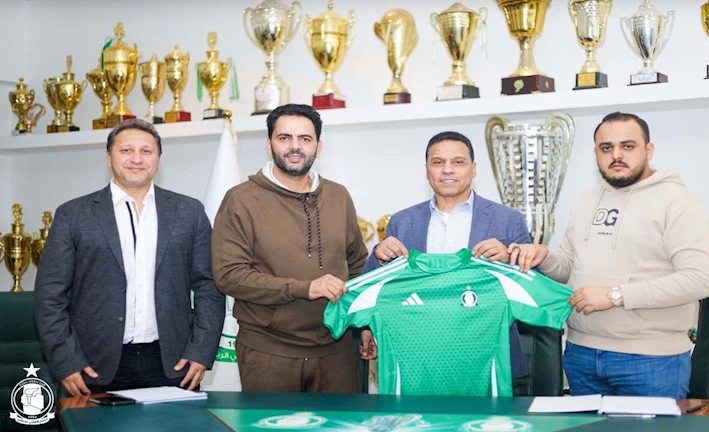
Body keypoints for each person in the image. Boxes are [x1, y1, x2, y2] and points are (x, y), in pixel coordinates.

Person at [508, 112, 709, 398]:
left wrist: (615, 295)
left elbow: (701, 280)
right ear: (596, 152)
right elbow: (568, 267)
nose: (616, 155)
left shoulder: (679, 203)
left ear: (648, 150)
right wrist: (543, 255)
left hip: (651, 360)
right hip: (581, 354)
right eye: (606, 148)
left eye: (627, 146)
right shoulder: (586, 201)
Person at [34, 119, 225, 397]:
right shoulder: (73, 215)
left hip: (173, 364)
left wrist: (201, 351)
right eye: (126, 150)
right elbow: (50, 295)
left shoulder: (189, 212)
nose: (137, 159)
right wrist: (66, 361)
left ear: (158, 159)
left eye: (146, 151)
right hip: (92, 366)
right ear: (108, 157)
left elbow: (209, 286)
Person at [211, 103, 369, 393]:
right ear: (269, 144)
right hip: (269, 353)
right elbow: (229, 275)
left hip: (336, 352)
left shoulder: (338, 196)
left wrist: (366, 323)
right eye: (285, 138)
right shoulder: (240, 200)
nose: (295, 147)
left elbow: (358, 263)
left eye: (305, 139)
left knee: (341, 420)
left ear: (318, 146)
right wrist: (304, 288)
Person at [363, 131, 532, 380]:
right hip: (417, 358)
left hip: (488, 358)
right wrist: (378, 256)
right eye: (438, 162)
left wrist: (510, 260)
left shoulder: (507, 220)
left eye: (458, 162)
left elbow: (533, 287)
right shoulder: (403, 221)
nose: (447, 169)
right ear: (427, 170)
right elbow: (374, 287)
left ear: (474, 169)